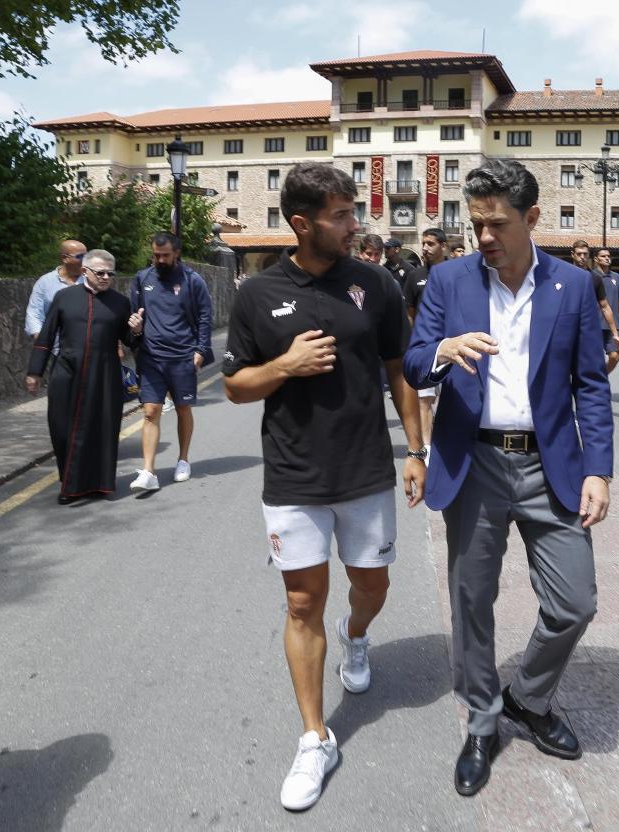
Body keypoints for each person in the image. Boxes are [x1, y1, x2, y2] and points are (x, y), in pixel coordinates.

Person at [403, 158, 612, 797]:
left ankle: (528, 696)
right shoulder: (447, 280)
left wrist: (599, 469)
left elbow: (591, 386)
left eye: (497, 224)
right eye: (476, 225)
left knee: (575, 602)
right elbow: (413, 365)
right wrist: (440, 351)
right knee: (472, 602)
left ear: (532, 219)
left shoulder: (574, 286)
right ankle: (483, 723)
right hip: (476, 464)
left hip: (551, 466)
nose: (484, 237)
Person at [223, 163, 426, 811]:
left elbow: (399, 372)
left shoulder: (375, 284)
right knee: (301, 604)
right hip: (294, 476)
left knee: (373, 586)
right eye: (341, 215)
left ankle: (357, 635)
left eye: (352, 213)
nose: (354, 225)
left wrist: (416, 449)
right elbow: (235, 386)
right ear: (303, 223)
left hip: (367, 469)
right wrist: (283, 365)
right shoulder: (257, 294)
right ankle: (315, 737)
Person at [26, 250, 134, 504]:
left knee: (103, 429)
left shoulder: (120, 302)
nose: (106, 277)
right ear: (85, 271)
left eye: (111, 273)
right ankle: (70, 482)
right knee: (62, 428)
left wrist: (137, 330)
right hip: (67, 371)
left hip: (105, 374)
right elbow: (45, 337)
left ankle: (100, 484)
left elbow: (129, 340)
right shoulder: (64, 298)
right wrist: (35, 372)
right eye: (101, 273)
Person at [128, 232, 213, 492]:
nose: (159, 260)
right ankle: (149, 471)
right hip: (151, 357)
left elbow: (204, 317)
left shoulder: (192, 280)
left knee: (183, 408)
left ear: (176, 253)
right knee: (151, 411)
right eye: (156, 255)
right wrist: (136, 328)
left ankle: (183, 460)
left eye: (165, 255)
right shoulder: (143, 279)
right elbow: (134, 317)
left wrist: (200, 349)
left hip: (182, 357)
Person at [405, 227, 449, 448]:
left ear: (444, 246)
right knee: (424, 400)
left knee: (450, 401)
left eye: (430, 243)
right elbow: (410, 314)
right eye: (423, 243)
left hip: (452, 347)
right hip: (426, 349)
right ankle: (429, 449)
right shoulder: (415, 276)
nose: (425, 248)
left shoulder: (456, 274)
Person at [570, 240, 619, 371]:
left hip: (590, 327)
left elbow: (605, 306)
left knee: (603, 359)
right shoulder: (565, 276)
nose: (582, 257)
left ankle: (599, 378)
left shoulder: (594, 278)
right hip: (569, 326)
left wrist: (615, 333)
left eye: (585, 254)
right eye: (579, 254)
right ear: (572, 254)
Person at [25, 239, 86, 343]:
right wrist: (40, 340)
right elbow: (34, 313)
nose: (86, 260)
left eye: (87, 256)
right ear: (64, 258)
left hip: (86, 346)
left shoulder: (90, 281)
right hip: (54, 348)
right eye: (80, 256)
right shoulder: (45, 282)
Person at [593, 248, 619, 374]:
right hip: (595, 325)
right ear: (596, 259)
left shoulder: (617, 277)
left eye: (608, 256)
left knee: (615, 356)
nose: (607, 258)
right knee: (594, 359)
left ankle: (602, 376)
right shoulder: (591, 276)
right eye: (603, 256)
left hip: (613, 326)